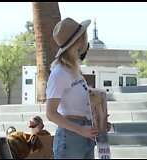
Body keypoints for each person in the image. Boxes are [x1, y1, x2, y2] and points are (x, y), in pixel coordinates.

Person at [46, 17, 111, 159]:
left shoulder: (74, 71)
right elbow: (51, 113)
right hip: (71, 136)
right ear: (77, 42)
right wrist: (81, 130)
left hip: (85, 133)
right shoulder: (59, 72)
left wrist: (99, 122)